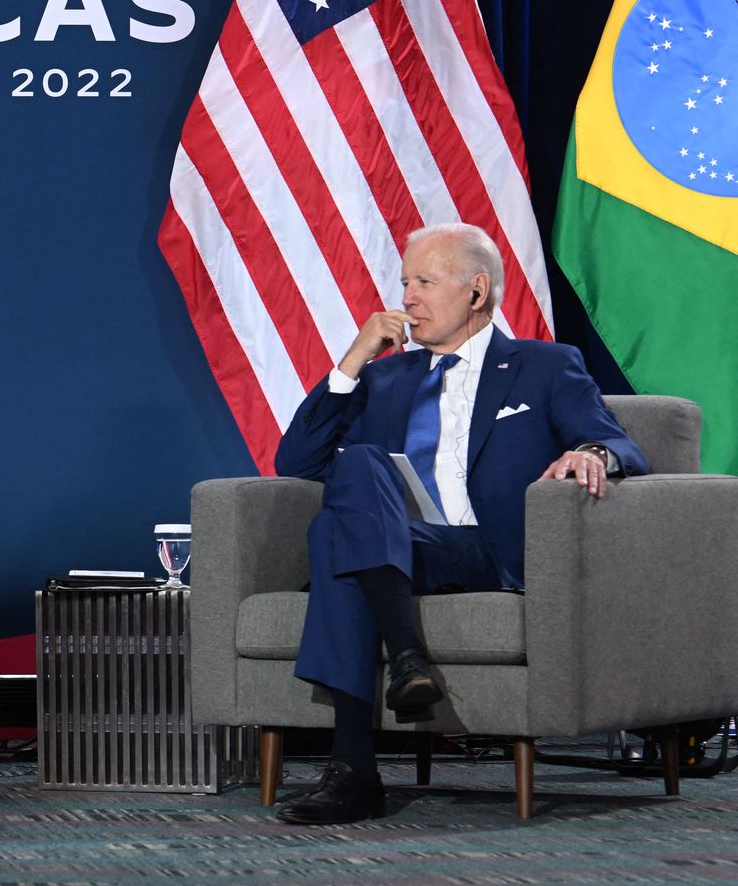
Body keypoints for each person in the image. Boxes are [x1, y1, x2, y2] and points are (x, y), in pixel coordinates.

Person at [270, 223, 647, 825]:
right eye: (404, 283)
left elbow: (617, 443)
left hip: (488, 550)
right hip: (403, 543)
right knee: (357, 472)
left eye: (424, 281)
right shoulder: (385, 377)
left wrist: (592, 456)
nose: (407, 297)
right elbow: (296, 462)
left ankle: (353, 771)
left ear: (476, 291)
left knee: (333, 540)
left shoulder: (544, 366)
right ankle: (407, 660)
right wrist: (354, 358)